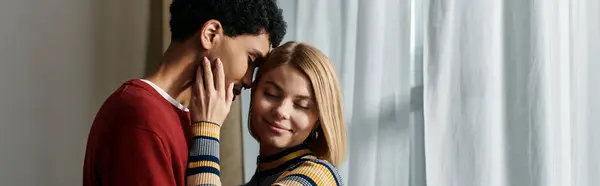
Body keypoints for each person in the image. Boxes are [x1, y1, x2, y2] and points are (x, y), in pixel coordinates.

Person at [83, 0, 287, 185]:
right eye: (251, 61)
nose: (249, 81)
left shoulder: (190, 119)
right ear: (211, 34)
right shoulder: (140, 116)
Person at [187, 41, 347, 186]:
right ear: (254, 92)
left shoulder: (320, 177)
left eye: (301, 105)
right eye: (271, 94)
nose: (281, 112)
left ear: (319, 119)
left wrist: (207, 127)